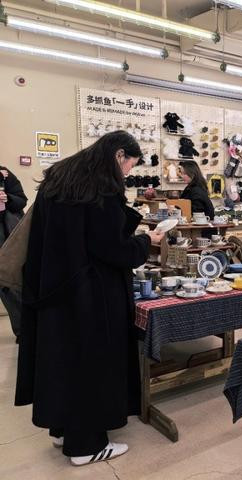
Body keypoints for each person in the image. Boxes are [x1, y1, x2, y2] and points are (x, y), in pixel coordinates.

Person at [15, 131, 164, 466]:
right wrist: (146, 242)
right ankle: (86, 445)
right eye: (129, 165)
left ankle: (63, 429)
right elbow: (112, 249)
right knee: (92, 364)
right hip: (90, 294)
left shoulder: (61, 178)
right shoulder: (101, 188)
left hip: (53, 288)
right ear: (119, 154)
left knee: (63, 361)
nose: (127, 172)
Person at [0, 166, 28, 342]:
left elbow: (21, 201)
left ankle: (24, 329)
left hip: (7, 235)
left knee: (10, 284)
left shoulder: (5, 174)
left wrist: (7, 198)